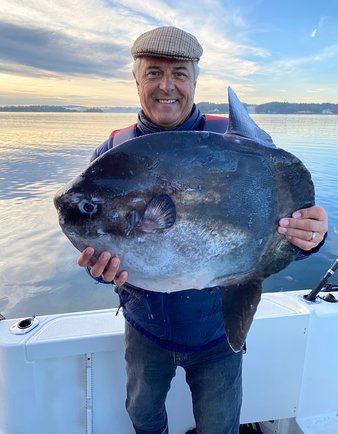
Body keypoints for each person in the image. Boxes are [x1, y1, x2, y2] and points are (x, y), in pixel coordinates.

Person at [77, 27, 328, 434]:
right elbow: (101, 238)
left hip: (219, 330)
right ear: (137, 79)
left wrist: (307, 239)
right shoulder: (112, 152)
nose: (166, 86)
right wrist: (97, 269)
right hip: (145, 328)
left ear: (194, 79)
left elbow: (280, 224)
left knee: (219, 426)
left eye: (178, 73)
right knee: (143, 416)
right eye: (153, 72)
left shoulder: (238, 145)